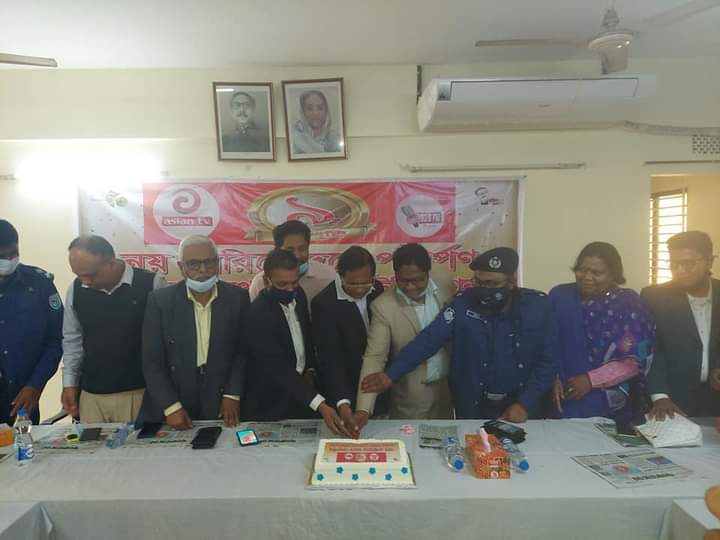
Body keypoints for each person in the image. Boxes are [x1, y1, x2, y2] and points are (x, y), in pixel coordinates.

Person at [362, 247, 557, 422]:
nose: (484, 289)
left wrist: (525, 403)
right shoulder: (463, 304)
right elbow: (428, 339)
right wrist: (390, 374)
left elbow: (548, 361)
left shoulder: (537, 307)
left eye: (492, 283)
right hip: (474, 406)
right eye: (479, 282)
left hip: (520, 406)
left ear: (511, 281)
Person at [136, 236, 250, 430]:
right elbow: (152, 360)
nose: (203, 270)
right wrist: (170, 406)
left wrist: (232, 394)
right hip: (176, 393)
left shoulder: (237, 298)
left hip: (222, 392)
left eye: (209, 262)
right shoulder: (160, 301)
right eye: (194, 264)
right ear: (181, 267)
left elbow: (243, 351)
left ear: (218, 263)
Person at [242, 249, 351, 437]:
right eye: (282, 284)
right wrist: (320, 404)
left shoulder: (298, 295)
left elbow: (305, 339)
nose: (290, 289)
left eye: (294, 282)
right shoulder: (257, 315)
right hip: (269, 404)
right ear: (267, 281)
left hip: (301, 396)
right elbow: (278, 368)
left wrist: (310, 369)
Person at [61, 235, 166, 423]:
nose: (85, 282)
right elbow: (72, 341)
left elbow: (166, 343)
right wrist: (69, 384)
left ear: (110, 262)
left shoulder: (151, 284)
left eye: (91, 274)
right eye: (78, 275)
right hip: (91, 397)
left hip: (139, 394)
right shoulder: (76, 289)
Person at [549, 242, 654, 421]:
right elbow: (544, 341)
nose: (587, 277)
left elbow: (634, 360)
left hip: (607, 392)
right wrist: (553, 377)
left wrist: (590, 380)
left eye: (597, 273)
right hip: (558, 388)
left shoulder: (628, 303)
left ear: (614, 274)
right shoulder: (560, 296)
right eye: (581, 270)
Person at [355, 244, 455, 429]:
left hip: (447, 392)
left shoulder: (446, 284)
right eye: (403, 280)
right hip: (411, 399)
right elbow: (375, 357)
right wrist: (363, 409)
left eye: (417, 280)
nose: (410, 286)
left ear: (427, 272)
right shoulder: (383, 306)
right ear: (395, 274)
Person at [642, 231, 720, 419]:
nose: (679, 270)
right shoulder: (654, 297)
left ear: (710, 261)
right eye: (673, 264)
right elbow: (650, 348)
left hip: (715, 400)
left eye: (687, 263)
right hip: (670, 402)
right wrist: (659, 395)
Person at [311, 246, 384, 434]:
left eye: (365, 283)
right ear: (340, 276)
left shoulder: (377, 289)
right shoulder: (324, 304)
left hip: (378, 385)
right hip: (344, 387)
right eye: (352, 284)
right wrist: (342, 402)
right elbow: (331, 358)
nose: (360, 289)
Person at [0, 220, 63, 424]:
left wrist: (36, 384)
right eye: (2, 257)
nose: (8, 261)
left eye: (13, 254)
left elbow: (56, 339)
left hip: (21, 399)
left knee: (23, 444)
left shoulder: (39, 284)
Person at [248, 220, 335, 305]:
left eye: (302, 249)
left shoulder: (329, 277)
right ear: (277, 250)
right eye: (289, 250)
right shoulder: (260, 282)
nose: (297, 256)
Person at [291, 89, 341, 154]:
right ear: (303, 112)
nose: (315, 113)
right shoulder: (295, 139)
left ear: (326, 111)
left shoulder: (336, 138)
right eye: (309, 108)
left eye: (320, 108)